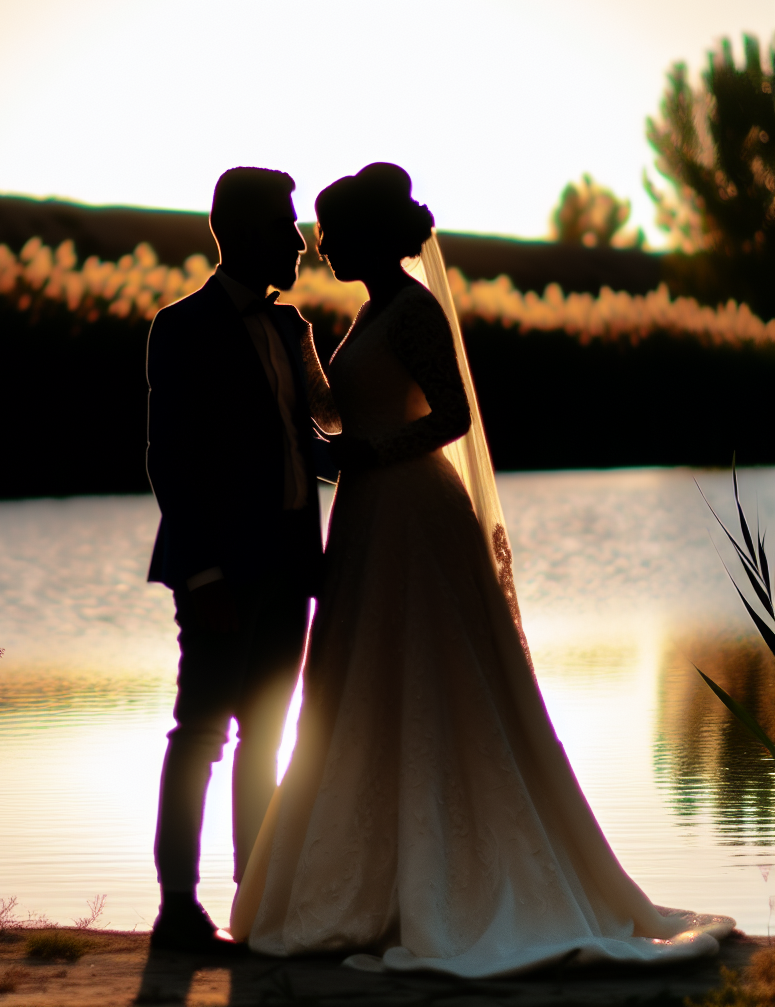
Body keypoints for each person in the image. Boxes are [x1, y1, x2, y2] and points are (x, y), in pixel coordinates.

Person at [230, 163, 734, 976]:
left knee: (434, 685)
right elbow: (339, 414)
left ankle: (451, 884)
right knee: (362, 689)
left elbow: (454, 416)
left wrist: (368, 453)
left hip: (413, 520)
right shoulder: (372, 313)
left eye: (335, 231)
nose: (322, 245)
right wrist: (305, 358)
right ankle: (376, 882)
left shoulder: (417, 310)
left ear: (371, 236)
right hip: (367, 519)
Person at [145, 167, 324, 954]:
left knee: (268, 736)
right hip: (222, 573)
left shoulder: (293, 328)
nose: (298, 239)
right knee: (200, 733)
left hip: (292, 565)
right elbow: (170, 461)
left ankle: (255, 901)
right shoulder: (182, 327)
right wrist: (204, 573)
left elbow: (304, 444)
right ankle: (178, 909)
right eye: (287, 223)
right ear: (243, 230)